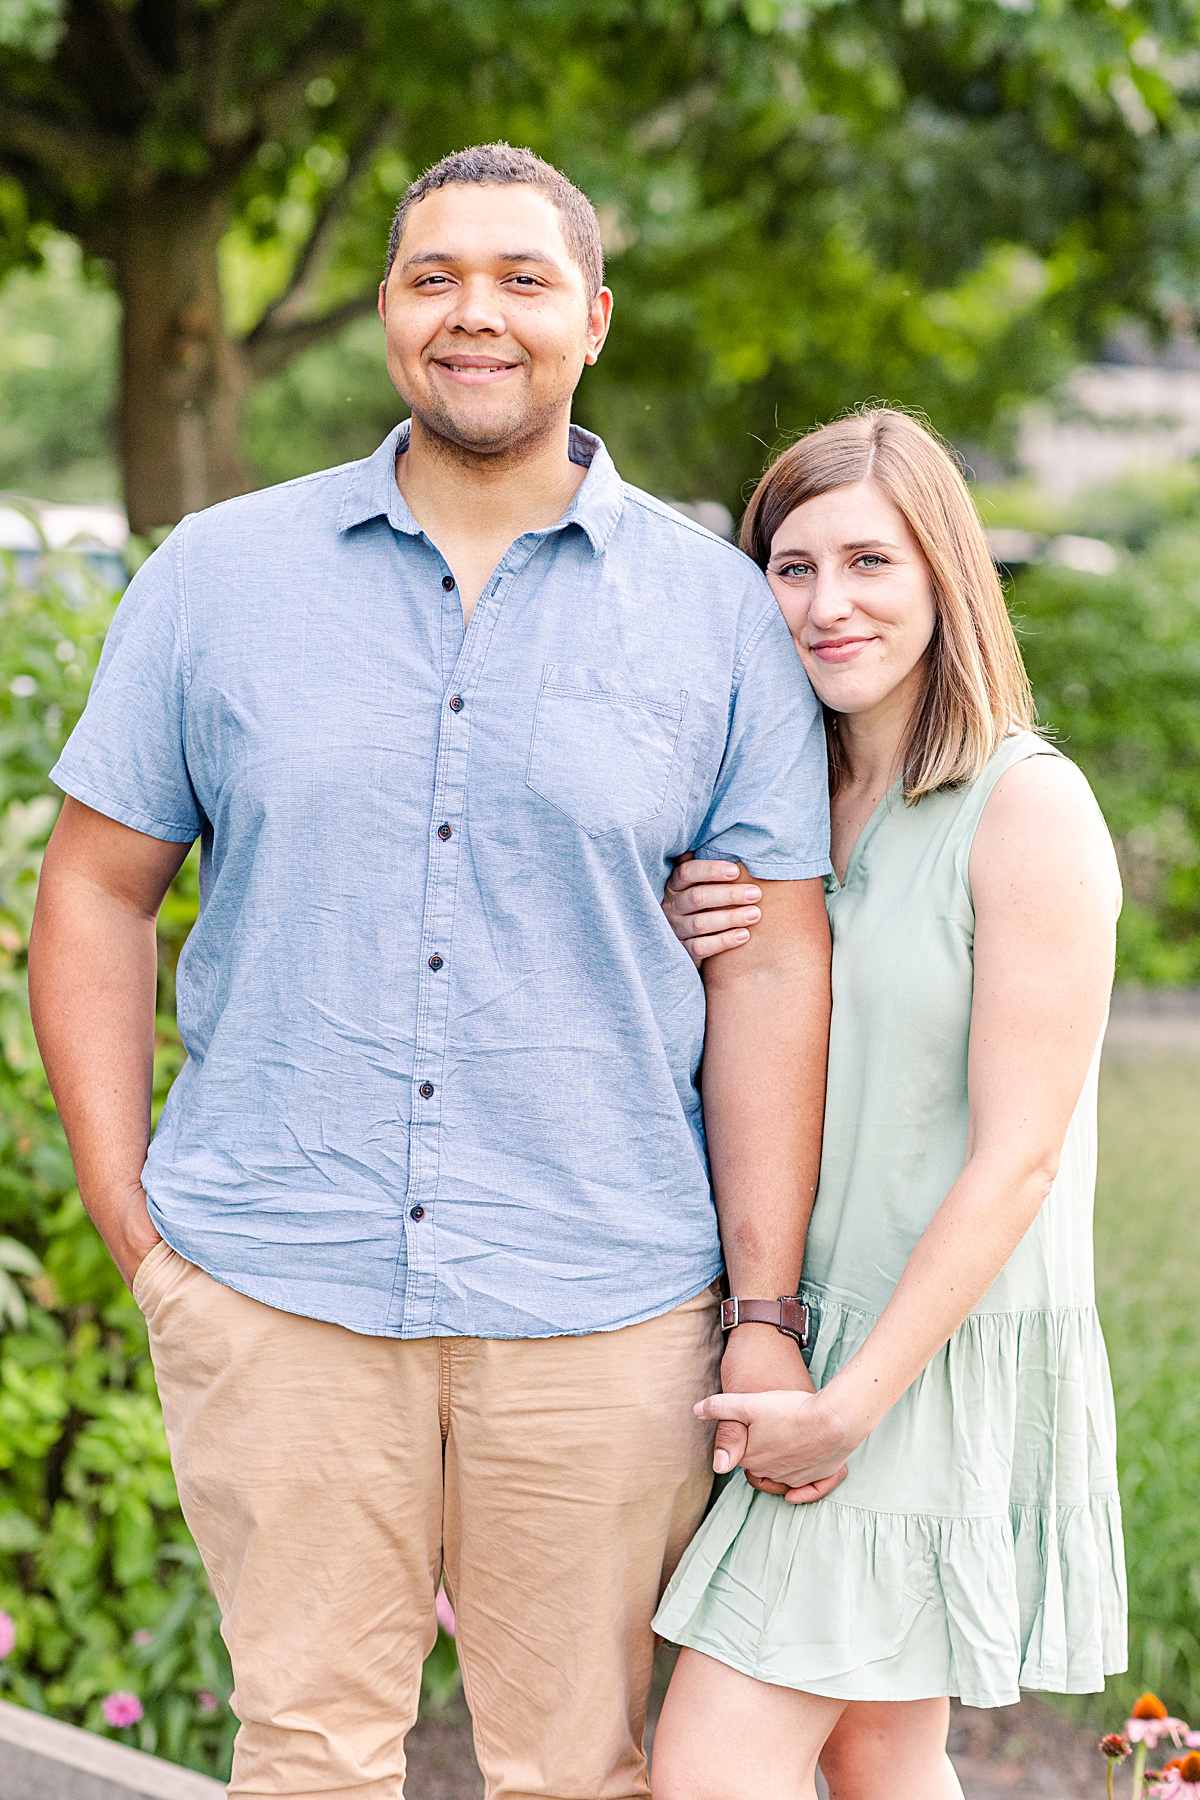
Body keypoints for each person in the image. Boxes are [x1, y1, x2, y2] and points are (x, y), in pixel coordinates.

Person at [28, 144, 835, 1800]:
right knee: (308, 1755)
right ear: (390, 313)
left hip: (606, 1304)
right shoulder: (215, 581)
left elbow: (770, 973)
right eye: (434, 277)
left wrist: (761, 1312)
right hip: (281, 1278)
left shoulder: (718, 620)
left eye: (523, 279)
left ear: (592, 321)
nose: (478, 313)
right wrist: (135, 1216)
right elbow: (95, 894)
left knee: (575, 1769)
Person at [648, 409, 1127, 1800]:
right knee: (879, 1756)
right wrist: (685, 929)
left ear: (944, 577)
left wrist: (852, 1402)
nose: (826, 602)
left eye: (869, 560)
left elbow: (1020, 1159)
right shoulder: (780, 808)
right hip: (801, 1325)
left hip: (921, 1357)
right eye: (790, 568)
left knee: (710, 1766)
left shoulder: (1026, 809)